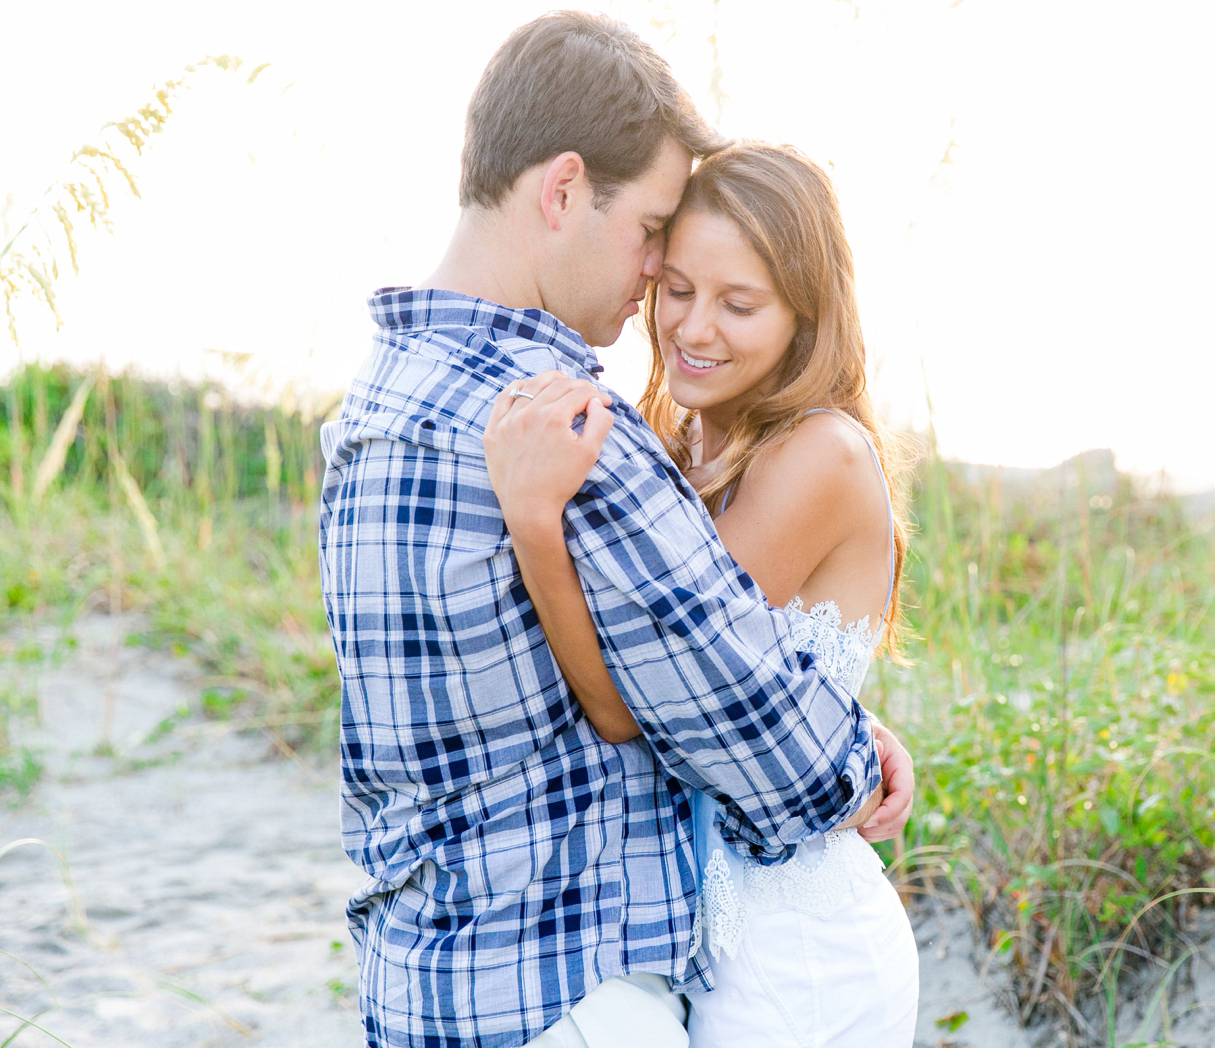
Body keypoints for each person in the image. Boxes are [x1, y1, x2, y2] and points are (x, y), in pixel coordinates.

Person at [317, 12, 914, 1048]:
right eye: (657, 246)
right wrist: (852, 748)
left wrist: (839, 716)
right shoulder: (578, 432)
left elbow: (678, 693)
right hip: (570, 992)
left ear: (800, 317)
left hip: (437, 984)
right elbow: (770, 747)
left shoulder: (373, 407)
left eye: (735, 300)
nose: (662, 297)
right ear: (561, 191)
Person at [485, 142, 920, 1046]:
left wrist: (535, 522)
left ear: (807, 315)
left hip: (800, 953)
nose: (693, 327)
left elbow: (627, 701)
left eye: (740, 304)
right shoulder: (677, 445)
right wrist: (862, 731)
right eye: (677, 288)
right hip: (706, 949)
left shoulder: (819, 455)